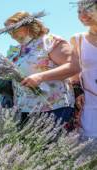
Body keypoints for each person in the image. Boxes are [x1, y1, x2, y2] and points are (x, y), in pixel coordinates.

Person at [0, 11, 80, 126]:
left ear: (27, 25)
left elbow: (73, 66)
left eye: (14, 29)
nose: (11, 34)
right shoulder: (15, 50)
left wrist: (40, 77)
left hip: (54, 106)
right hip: (24, 108)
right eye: (8, 31)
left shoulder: (50, 41)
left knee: (54, 143)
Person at [70, 0, 97, 138]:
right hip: (90, 106)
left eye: (87, 9)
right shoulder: (78, 39)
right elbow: (74, 71)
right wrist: (77, 90)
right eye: (79, 11)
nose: (82, 15)